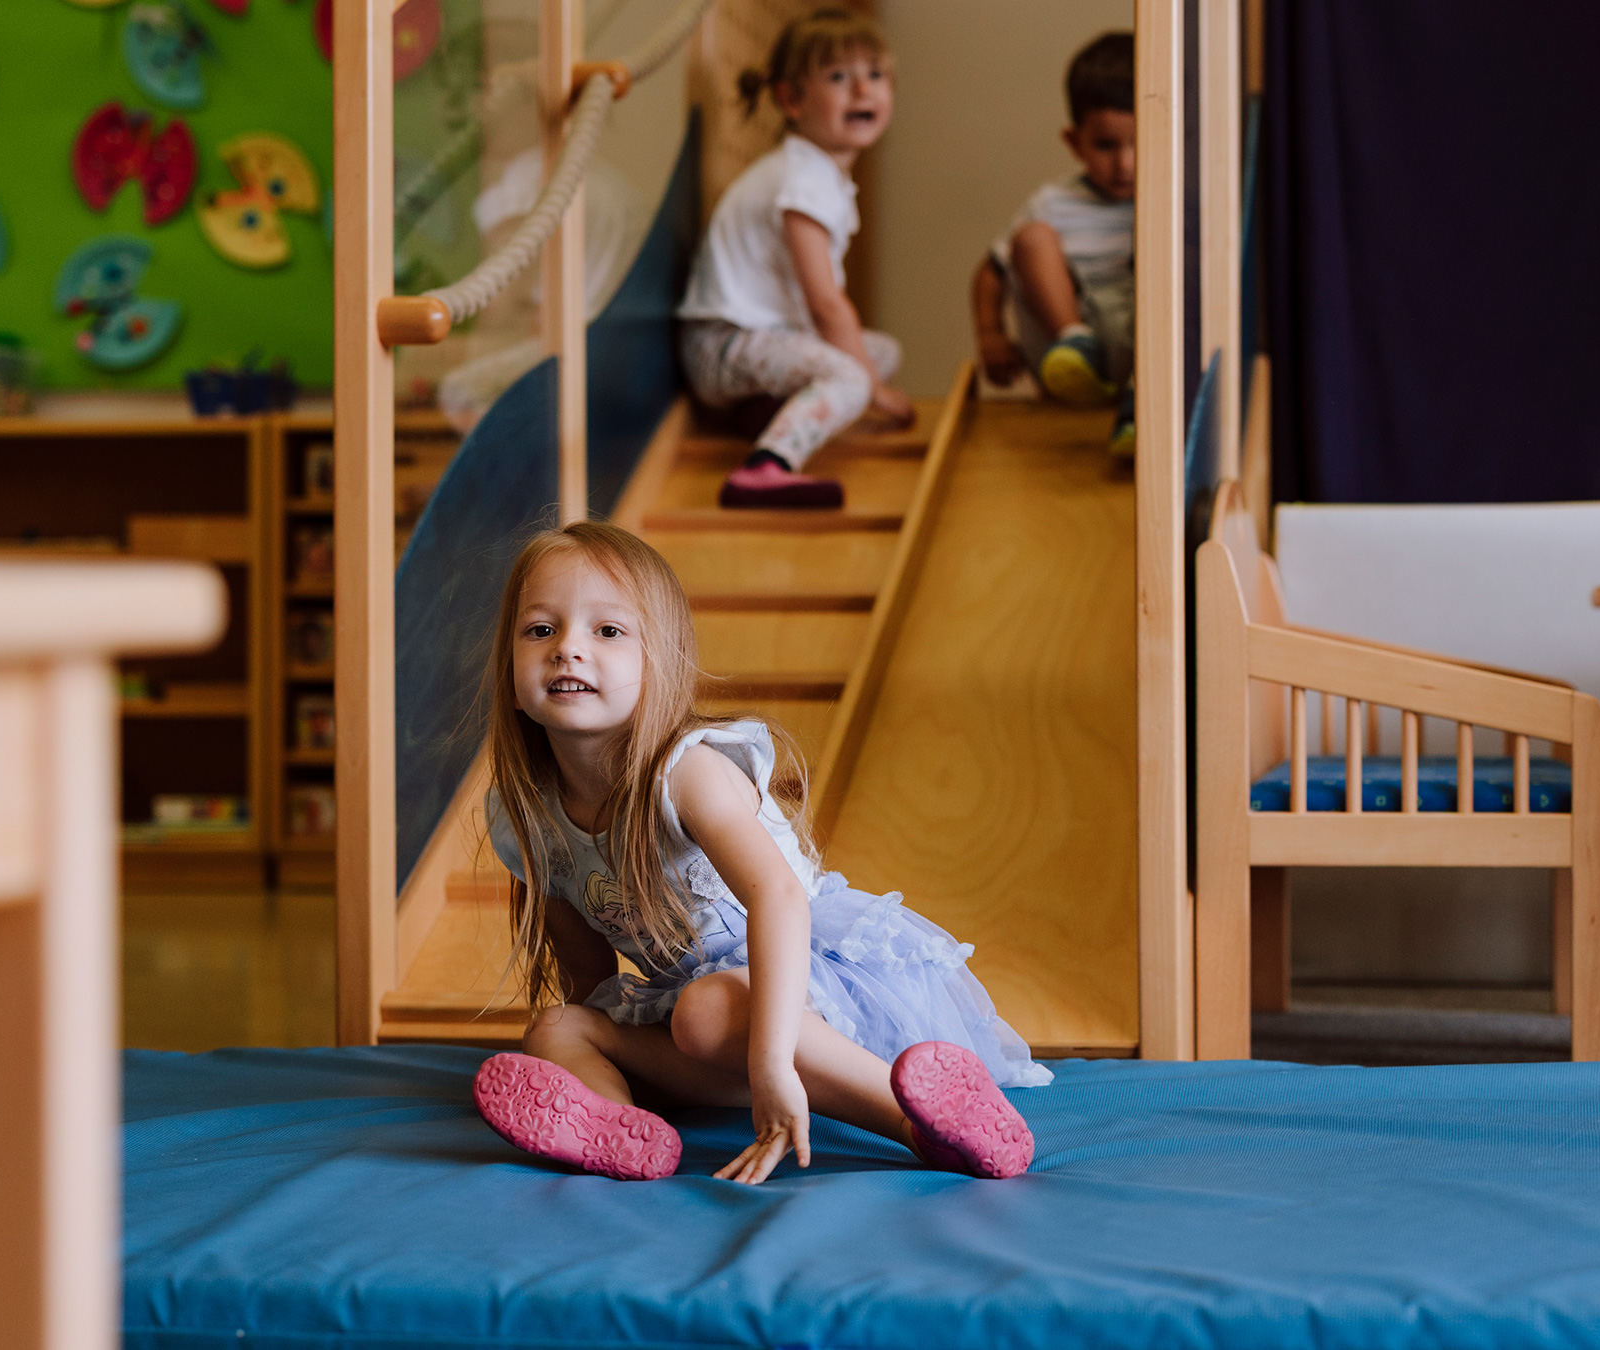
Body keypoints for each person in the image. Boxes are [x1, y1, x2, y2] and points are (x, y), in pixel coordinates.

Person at [471, 520, 1049, 1184]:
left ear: (657, 659)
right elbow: (587, 977)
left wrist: (773, 1063)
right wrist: (601, 1047)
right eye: (540, 629)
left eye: (607, 631)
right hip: (707, 1025)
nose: (567, 649)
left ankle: (917, 1121)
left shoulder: (685, 773)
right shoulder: (529, 820)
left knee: (706, 1012)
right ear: (509, 667)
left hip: (805, 992)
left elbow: (778, 898)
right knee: (556, 1031)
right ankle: (617, 1130)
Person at [678, 8, 912, 510]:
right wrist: (870, 389)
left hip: (750, 341)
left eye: (875, 74)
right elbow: (826, 304)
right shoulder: (803, 180)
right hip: (724, 344)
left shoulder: (816, 172)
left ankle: (763, 412)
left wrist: (870, 372)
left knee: (883, 350)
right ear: (790, 98)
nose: (863, 91)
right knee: (853, 373)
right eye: (838, 77)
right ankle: (766, 466)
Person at [970, 31, 1137, 457]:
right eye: (1106, 145)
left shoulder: (1165, 204)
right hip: (1074, 334)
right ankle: (1074, 342)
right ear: (1073, 141)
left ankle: (1138, 410)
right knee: (1032, 237)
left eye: (1142, 143)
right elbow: (990, 273)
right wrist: (991, 335)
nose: (1125, 164)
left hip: (1137, 340)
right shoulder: (1055, 201)